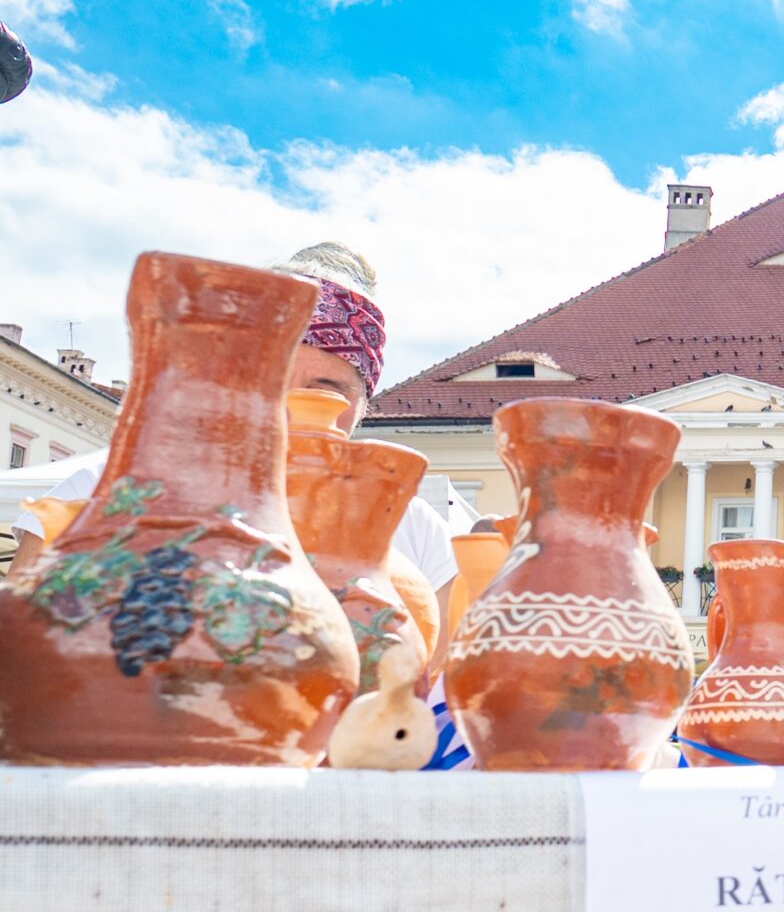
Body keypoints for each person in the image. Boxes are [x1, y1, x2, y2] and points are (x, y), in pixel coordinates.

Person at [14, 243, 461, 675]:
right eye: (271, 380)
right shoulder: (100, 493)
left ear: (364, 403)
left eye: (328, 389)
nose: (293, 405)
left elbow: (428, 698)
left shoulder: (416, 529)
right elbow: (26, 660)